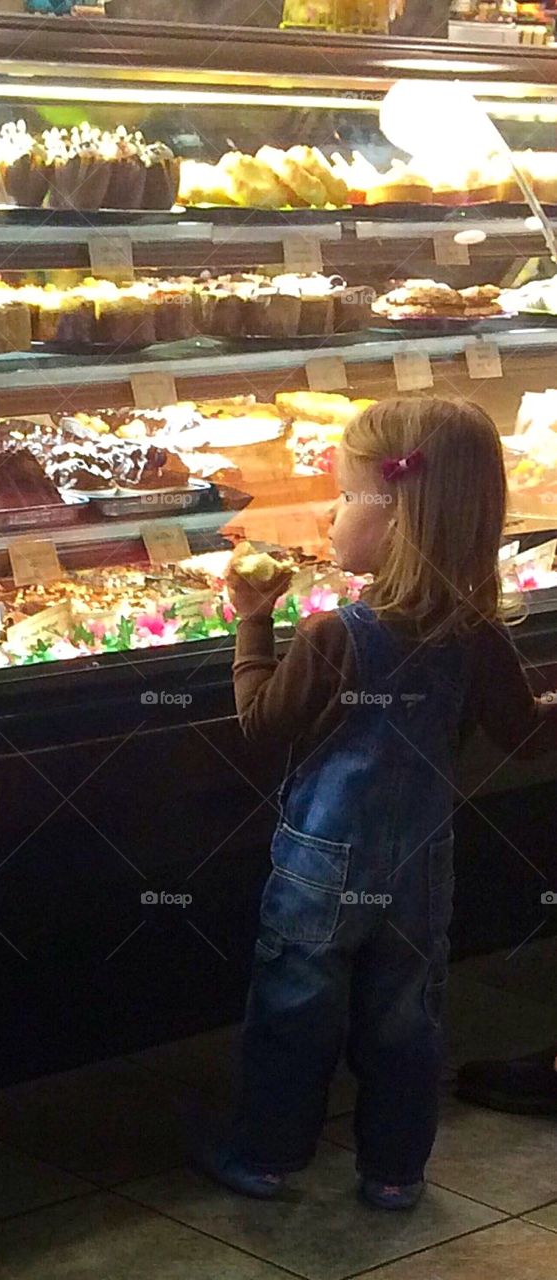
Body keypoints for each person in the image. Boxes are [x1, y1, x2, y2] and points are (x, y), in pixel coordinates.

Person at [197, 397, 557, 1209]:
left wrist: (252, 625)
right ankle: (395, 1173)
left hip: (322, 864)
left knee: (296, 1002)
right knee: (406, 1015)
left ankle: (265, 1155)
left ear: (395, 516)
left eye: (348, 494)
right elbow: (526, 736)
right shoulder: (479, 633)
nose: (330, 510)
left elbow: (261, 725)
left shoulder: (337, 635)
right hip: (421, 863)